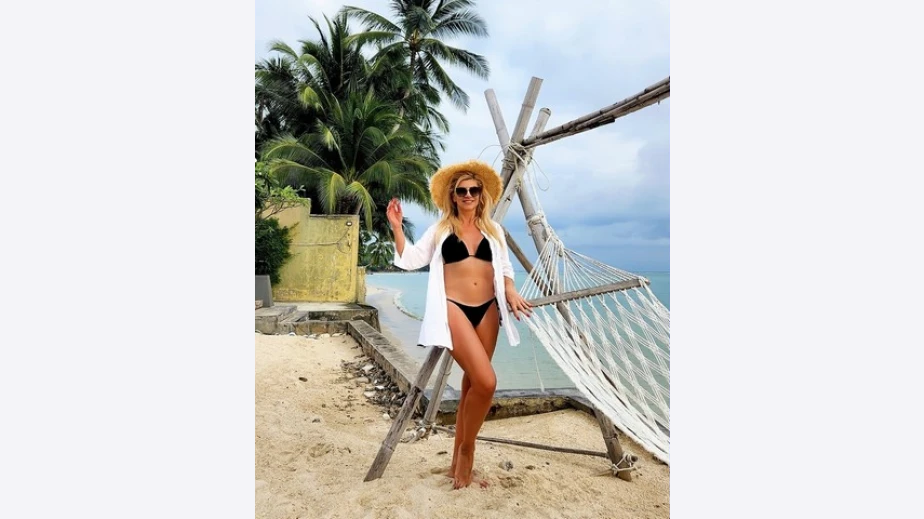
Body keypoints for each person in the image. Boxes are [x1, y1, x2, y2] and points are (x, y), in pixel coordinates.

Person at [386, 159, 533, 489]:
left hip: (488, 310)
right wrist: (396, 227)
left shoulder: (494, 231)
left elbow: (505, 269)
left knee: (472, 385)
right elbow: (410, 260)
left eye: (474, 190)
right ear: (453, 196)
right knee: (487, 382)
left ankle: (458, 464)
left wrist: (510, 290)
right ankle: (467, 451)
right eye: (461, 190)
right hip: (454, 308)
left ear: (482, 195)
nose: (468, 195)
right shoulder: (440, 230)